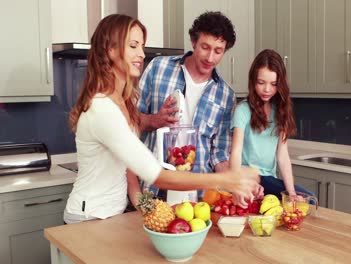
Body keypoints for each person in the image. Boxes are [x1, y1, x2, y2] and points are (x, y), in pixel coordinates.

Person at [64, 14, 258, 224]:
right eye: (133, 46)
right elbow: (156, 175)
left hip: (113, 215)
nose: (141, 54)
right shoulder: (103, 109)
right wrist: (226, 180)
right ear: (111, 50)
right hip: (88, 218)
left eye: (142, 46)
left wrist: (148, 209)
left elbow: (128, 165)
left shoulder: (121, 102)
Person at [137, 11, 237, 195]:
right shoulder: (158, 68)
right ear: (193, 42)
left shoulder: (226, 95)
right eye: (205, 47)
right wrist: (155, 120)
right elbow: (129, 121)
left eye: (218, 51)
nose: (210, 58)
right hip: (154, 186)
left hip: (197, 194)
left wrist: (234, 184)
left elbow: (219, 154)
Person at [229, 49, 315, 206]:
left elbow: (283, 156)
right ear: (253, 81)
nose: (267, 89)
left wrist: (291, 193)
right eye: (261, 83)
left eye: (274, 84)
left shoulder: (280, 111)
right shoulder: (243, 110)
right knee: (308, 199)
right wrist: (236, 186)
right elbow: (235, 152)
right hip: (248, 177)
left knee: (306, 200)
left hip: (269, 179)